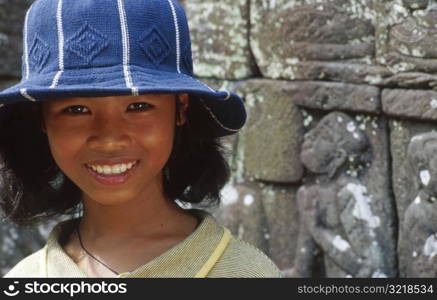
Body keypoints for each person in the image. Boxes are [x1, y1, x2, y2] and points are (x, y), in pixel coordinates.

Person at [0, 0, 280, 278]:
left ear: (181, 108)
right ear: (41, 119)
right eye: (76, 110)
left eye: (138, 107)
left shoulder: (246, 274)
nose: (109, 141)